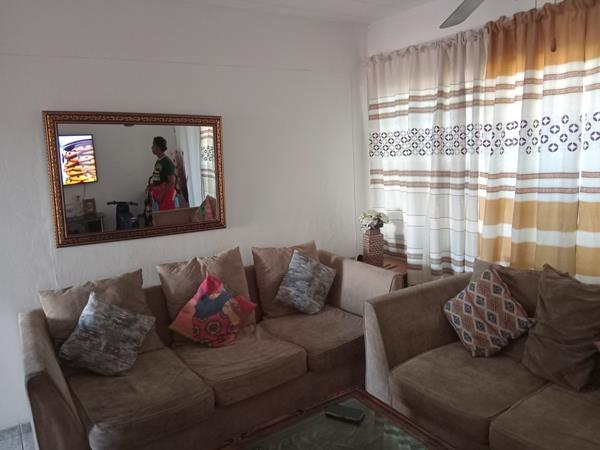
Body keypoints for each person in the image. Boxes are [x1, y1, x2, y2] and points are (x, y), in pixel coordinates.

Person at [149, 136, 177, 211]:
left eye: (153, 145)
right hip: (159, 194)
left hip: (165, 195)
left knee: (166, 216)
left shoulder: (166, 162)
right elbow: (159, 178)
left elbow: (171, 181)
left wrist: (161, 195)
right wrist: (151, 186)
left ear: (158, 147)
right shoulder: (159, 161)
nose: (151, 147)